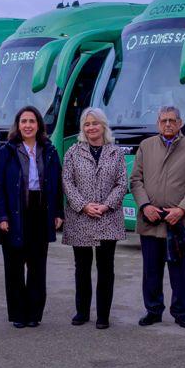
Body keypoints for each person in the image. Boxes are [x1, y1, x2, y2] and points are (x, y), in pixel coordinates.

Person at [130, 105, 185, 328]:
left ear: (180, 123)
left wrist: (181, 210)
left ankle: (181, 312)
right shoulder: (146, 146)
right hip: (150, 220)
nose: (168, 124)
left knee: (178, 271)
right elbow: (135, 180)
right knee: (151, 270)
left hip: (176, 222)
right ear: (157, 124)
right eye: (163, 121)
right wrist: (145, 205)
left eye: (172, 120)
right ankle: (153, 310)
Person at [0, 105, 63, 328]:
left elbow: (57, 183)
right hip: (15, 213)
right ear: (18, 125)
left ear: (39, 125)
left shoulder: (49, 150)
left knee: (37, 266)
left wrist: (58, 212)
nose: (28, 125)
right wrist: (1, 216)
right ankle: (18, 314)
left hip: (40, 212)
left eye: (32, 121)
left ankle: (34, 314)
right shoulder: (7, 150)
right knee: (14, 267)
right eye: (23, 121)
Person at [61, 107, 127, 328]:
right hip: (81, 218)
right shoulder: (73, 152)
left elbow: (121, 183)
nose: (91, 128)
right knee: (82, 267)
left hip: (108, 218)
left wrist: (106, 205)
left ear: (103, 126)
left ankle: (103, 315)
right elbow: (67, 182)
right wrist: (83, 205)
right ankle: (82, 312)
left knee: (106, 268)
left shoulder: (115, 153)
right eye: (87, 124)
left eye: (95, 123)